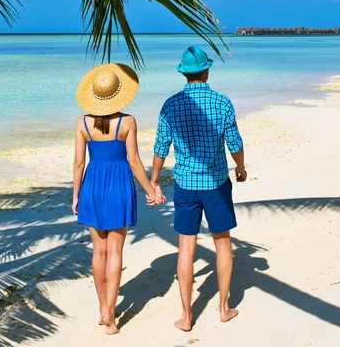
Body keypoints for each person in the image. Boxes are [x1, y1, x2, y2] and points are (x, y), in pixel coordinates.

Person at [151, 46, 246, 332]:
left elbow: (160, 148)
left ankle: (186, 315)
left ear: (183, 73)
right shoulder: (221, 102)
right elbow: (235, 143)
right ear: (206, 71)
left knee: (186, 246)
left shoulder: (170, 104)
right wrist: (240, 168)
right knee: (222, 243)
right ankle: (224, 308)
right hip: (216, 183)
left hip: (185, 185)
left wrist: (154, 180)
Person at [73, 63, 164, 335]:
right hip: (118, 186)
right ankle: (110, 315)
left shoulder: (82, 123)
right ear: (118, 94)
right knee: (115, 252)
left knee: (98, 252)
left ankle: (103, 307)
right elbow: (134, 161)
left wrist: (76, 194)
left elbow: (79, 163)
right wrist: (150, 190)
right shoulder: (127, 122)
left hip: (92, 186)